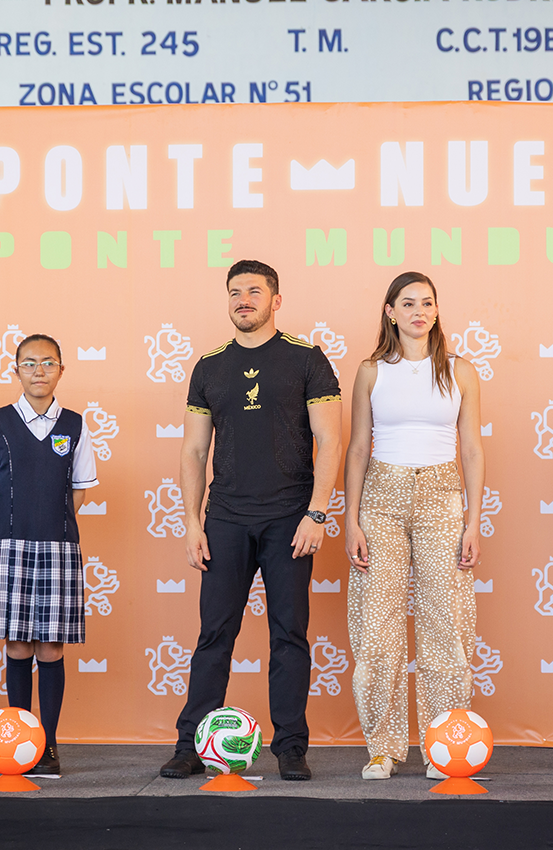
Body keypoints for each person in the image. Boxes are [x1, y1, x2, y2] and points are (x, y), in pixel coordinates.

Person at [159, 260, 342, 782]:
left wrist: (317, 512)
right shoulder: (209, 366)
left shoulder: (307, 358)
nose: (244, 300)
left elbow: (329, 439)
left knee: (289, 634)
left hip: (290, 519)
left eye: (254, 292)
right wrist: (193, 524)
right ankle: (190, 744)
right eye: (235, 292)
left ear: (275, 300)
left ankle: (290, 746)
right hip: (226, 521)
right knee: (214, 633)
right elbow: (194, 453)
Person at [343, 272, 483, 780]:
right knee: (377, 631)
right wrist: (351, 519)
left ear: (437, 310)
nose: (419, 311)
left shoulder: (460, 371)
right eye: (408, 303)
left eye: (427, 303)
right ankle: (382, 747)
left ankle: (444, 745)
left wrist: (473, 520)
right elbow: (359, 447)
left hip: (444, 499)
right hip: (381, 497)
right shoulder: (370, 371)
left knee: (446, 626)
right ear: (390, 311)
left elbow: (471, 448)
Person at [0, 334, 98, 776]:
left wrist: (49, 526)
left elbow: (76, 492)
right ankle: (18, 736)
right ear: (15, 370)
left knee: (51, 646)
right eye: (29, 363)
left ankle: (49, 745)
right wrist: (16, 524)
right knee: (18, 642)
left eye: (48, 363)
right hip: (6, 543)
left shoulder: (76, 425)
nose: (38, 371)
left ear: (61, 369)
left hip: (58, 546)